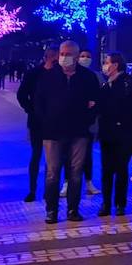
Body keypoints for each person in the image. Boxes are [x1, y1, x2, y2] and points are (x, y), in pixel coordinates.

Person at [34, 40, 100, 223]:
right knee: (52, 173)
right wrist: (45, 122)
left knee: (75, 173)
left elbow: (95, 102)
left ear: (77, 57)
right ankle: (51, 211)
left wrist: (87, 119)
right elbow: (38, 102)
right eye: (62, 54)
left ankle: (73, 210)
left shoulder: (87, 77)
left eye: (68, 54)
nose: (64, 57)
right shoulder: (48, 77)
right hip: (52, 132)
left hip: (79, 132)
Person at [97, 52, 132, 216]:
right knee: (106, 170)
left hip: (123, 134)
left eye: (107, 62)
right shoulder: (105, 85)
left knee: (121, 169)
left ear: (115, 65)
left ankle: (120, 204)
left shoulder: (129, 84)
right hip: (107, 134)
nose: (105, 66)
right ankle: (106, 203)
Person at [17, 47, 57, 202]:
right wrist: (30, 109)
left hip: (54, 121)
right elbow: (22, 94)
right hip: (37, 121)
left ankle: (49, 190)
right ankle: (32, 190)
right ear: (47, 57)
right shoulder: (34, 73)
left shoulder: (59, 74)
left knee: (52, 157)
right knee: (36, 155)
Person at [78, 50, 102, 196]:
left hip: (89, 123)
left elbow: (98, 99)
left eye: (88, 57)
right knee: (68, 155)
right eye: (82, 56)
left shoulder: (95, 76)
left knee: (87, 154)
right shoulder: (71, 75)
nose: (85, 59)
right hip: (71, 122)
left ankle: (88, 182)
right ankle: (67, 182)